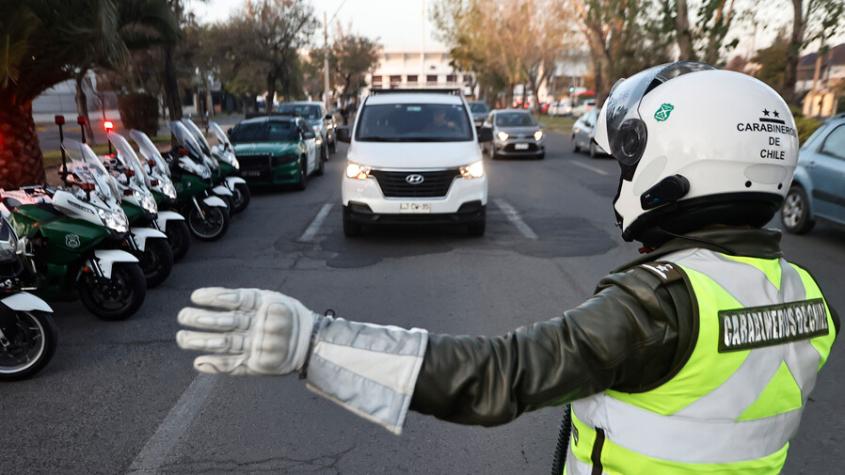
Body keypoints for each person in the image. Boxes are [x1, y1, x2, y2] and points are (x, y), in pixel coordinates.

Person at [176, 62, 838, 474]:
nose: (624, 175)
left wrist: (312, 344)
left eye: (631, 161)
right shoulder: (808, 297)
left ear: (678, 169)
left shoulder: (658, 306)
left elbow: (497, 373)